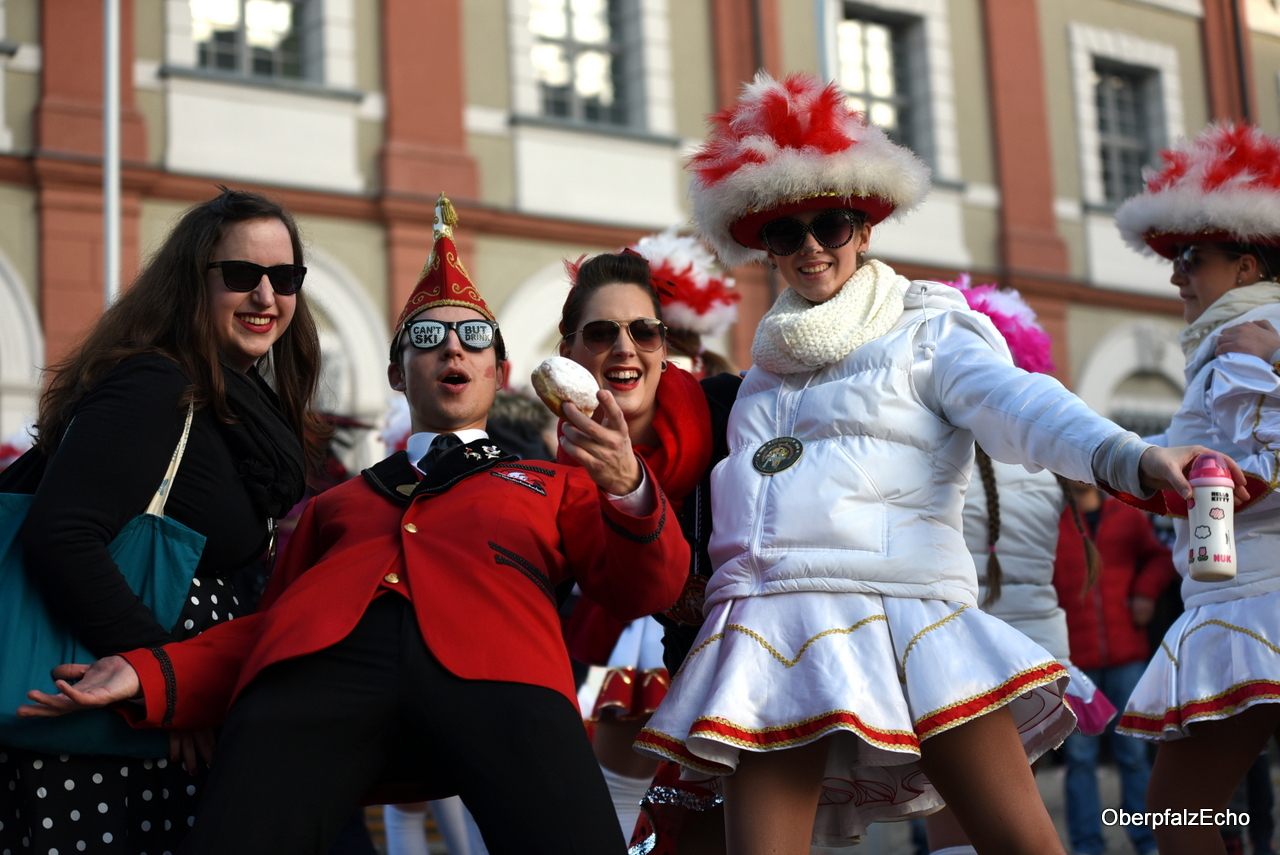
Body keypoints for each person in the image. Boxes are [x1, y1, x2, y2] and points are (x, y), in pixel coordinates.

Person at [633, 72, 1242, 855]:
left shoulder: (928, 330)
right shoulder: (761, 373)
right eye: (786, 232)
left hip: (909, 618)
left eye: (831, 223)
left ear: (864, 229)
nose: (811, 246)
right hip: (769, 626)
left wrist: (1132, 454)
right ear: (766, 249)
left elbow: (1021, 403)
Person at [17, 195, 690, 855]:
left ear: (501, 370)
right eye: (426, 338)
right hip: (319, 684)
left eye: (474, 337)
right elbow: (274, 627)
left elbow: (645, 589)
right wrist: (158, 672)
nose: (452, 349)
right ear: (397, 373)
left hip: (502, 673)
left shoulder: (555, 482)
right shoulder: (337, 504)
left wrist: (629, 487)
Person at [0, 188, 322, 854]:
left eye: (284, 277)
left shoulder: (240, 401)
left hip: (162, 721)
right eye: (242, 274)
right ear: (192, 281)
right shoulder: (156, 384)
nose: (266, 295)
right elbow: (63, 532)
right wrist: (164, 675)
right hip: (106, 731)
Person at [1111, 122, 1280, 855]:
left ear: (1245, 266)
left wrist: (1204, 484)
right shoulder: (1241, 336)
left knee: (1177, 811)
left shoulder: (1244, 340)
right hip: (1245, 593)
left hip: (1255, 600)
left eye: (1192, 258)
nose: (1178, 275)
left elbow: (1265, 463)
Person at [556, 239, 738, 836]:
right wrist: (626, 486)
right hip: (685, 681)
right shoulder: (566, 474)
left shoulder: (735, 410)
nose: (624, 347)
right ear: (568, 353)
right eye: (601, 333)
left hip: (775, 689)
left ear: (664, 347)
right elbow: (638, 593)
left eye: (644, 331)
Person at [1052, 480, 1174, 855]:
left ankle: (1147, 842)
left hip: (1127, 654)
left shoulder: (1127, 514)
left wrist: (1144, 594)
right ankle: (1088, 846)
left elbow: (1160, 557)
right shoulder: (1049, 519)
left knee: (1134, 756)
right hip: (1073, 661)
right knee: (1079, 760)